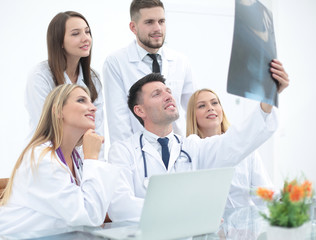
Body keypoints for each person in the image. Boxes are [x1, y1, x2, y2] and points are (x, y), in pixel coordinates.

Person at [106, 59, 289, 221]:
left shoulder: (192, 147)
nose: (168, 96)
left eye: (168, 91)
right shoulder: (123, 151)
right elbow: (120, 207)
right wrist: (188, 213)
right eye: (157, 94)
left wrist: (267, 100)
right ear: (140, 111)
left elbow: (235, 142)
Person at [0, 84, 112, 235]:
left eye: (91, 102)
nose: (93, 108)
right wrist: (92, 158)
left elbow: (96, 209)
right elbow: (90, 216)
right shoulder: (42, 159)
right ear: (58, 111)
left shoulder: (75, 158)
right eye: (81, 100)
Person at [103, 0, 195, 144]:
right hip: (138, 153)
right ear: (133, 27)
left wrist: (193, 148)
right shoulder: (116, 62)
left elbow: (194, 110)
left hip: (177, 149)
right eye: (149, 22)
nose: (157, 28)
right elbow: (118, 121)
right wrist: (127, 160)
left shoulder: (180, 61)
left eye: (161, 21)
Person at [25, 11, 104, 157]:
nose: (85, 38)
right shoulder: (40, 76)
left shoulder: (93, 78)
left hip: (80, 160)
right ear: (59, 41)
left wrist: (96, 166)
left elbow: (97, 131)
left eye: (87, 32)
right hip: (48, 156)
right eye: (76, 34)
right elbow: (46, 128)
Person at [186, 88, 273, 208]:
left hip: (246, 223)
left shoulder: (246, 148)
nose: (210, 108)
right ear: (193, 115)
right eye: (201, 106)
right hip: (213, 224)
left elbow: (263, 192)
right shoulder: (193, 149)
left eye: (215, 103)